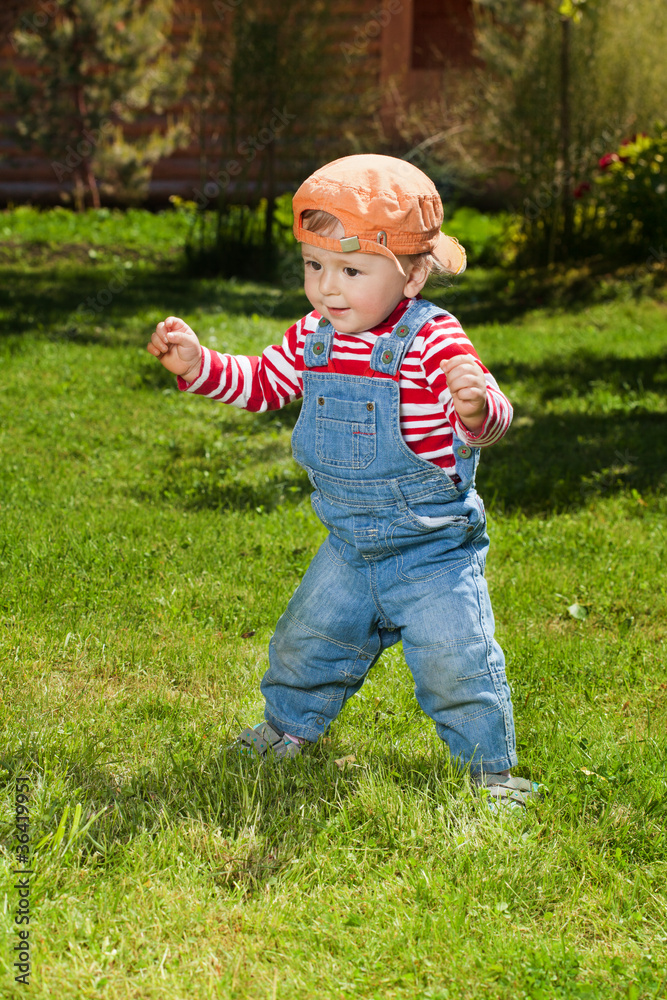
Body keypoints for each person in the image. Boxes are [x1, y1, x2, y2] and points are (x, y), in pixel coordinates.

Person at [147, 154, 539, 807]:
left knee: (457, 663)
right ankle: (285, 729)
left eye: (351, 271)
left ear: (411, 275)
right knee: (307, 642)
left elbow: (486, 413)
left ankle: (490, 774)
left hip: (432, 554)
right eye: (313, 266)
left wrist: (474, 411)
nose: (328, 288)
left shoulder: (432, 340)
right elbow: (261, 383)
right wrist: (198, 364)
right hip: (350, 549)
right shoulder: (314, 337)